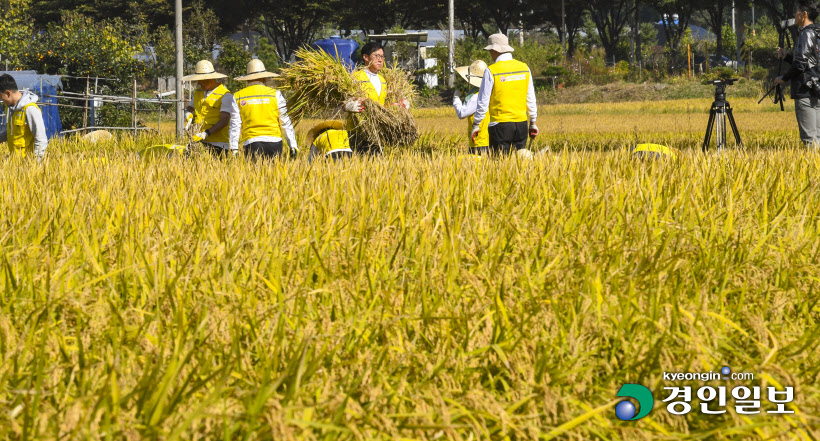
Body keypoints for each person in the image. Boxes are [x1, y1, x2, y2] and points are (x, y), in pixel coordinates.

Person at [471, 33, 538, 154]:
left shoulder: (492, 70)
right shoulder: (524, 68)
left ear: (495, 50)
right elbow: (531, 98)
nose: (490, 54)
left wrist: (476, 124)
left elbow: (483, 102)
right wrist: (533, 122)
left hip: (500, 126)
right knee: (521, 163)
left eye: (490, 51)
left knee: (500, 166)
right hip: (521, 125)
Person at [343, 42, 409, 155]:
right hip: (358, 131)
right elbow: (341, 101)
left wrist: (400, 105)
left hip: (377, 131)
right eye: (376, 56)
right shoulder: (355, 78)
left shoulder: (383, 80)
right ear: (365, 57)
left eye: (382, 56)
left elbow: (384, 105)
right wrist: (348, 106)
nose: (380, 60)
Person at [231, 59, 298, 160]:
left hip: (252, 142)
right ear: (264, 77)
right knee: (274, 175)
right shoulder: (275, 94)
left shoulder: (238, 96)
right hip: (275, 142)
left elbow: (235, 125)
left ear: (247, 79)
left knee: (255, 175)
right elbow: (285, 121)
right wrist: (293, 145)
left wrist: (234, 148)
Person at [775, 1, 820, 148]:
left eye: (797, 12)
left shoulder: (806, 34)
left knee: (809, 138)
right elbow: (810, 62)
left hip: (805, 90)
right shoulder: (817, 33)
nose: (795, 15)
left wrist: (783, 78)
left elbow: (800, 65)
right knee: (818, 136)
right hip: (817, 89)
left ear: (804, 14)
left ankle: (813, 169)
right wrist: (787, 57)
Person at [182, 60, 239, 156]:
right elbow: (190, 108)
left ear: (211, 79)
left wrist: (206, 133)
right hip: (198, 141)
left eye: (202, 80)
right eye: (198, 80)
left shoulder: (225, 95)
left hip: (218, 143)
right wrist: (187, 114)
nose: (199, 83)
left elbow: (224, 121)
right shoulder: (198, 92)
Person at [0, 74, 48, 160]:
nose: (1, 100)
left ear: (8, 93)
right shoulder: (9, 109)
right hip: (15, 162)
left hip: (27, 164)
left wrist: (34, 164)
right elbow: (12, 132)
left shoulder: (30, 109)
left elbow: (41, 140)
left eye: (1, 96)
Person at [453, 60, 490, 156]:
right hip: (487, 140)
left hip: (478, 142)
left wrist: (456, 98)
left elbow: (462, 113)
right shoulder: (486, 93)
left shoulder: (476, 97)